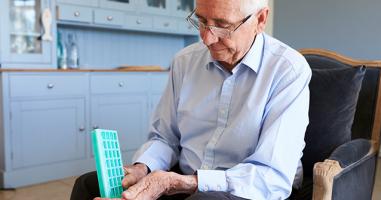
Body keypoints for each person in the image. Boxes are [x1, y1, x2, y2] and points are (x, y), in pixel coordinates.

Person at [71, 0, 311, 199]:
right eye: (202, 21)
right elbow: (164, 137)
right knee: (87, 185)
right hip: (184, 177)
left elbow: (272, 176)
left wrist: (182, 183)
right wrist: (142, 168)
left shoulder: (288, 70)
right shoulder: (184, 62)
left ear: (260, 20)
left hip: (249, 189)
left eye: (222, 25)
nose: (207, 38)